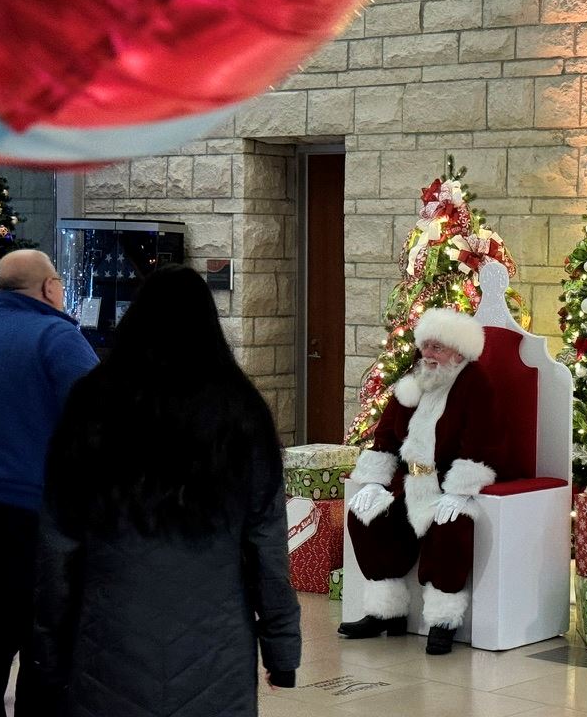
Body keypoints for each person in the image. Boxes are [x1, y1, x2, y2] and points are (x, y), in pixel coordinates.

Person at [32, 264, 301, 716]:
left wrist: (48, 651)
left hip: (108, 640)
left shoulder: (91, 403)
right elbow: (267, 543)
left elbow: (58, 543)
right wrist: (281, 649)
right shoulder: (241, 410)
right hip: (216, 649)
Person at [0, 249, 99, 717]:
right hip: (37, 520)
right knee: (46, 648)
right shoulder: (58, 338)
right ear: (49, 288)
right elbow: (99, 421)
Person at [338, 307, 502, 655]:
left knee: (450, 526)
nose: (427, 354)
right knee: (365, 516)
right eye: (425, 346)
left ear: (459, 352)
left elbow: (481, 444)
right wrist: (372, 481)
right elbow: (385, 437)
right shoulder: (413, 382)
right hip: (408, 481)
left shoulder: (476, 385)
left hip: (447, 484)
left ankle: (443, 621)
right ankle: (387, 611)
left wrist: (458, 491)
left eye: (437, 348)